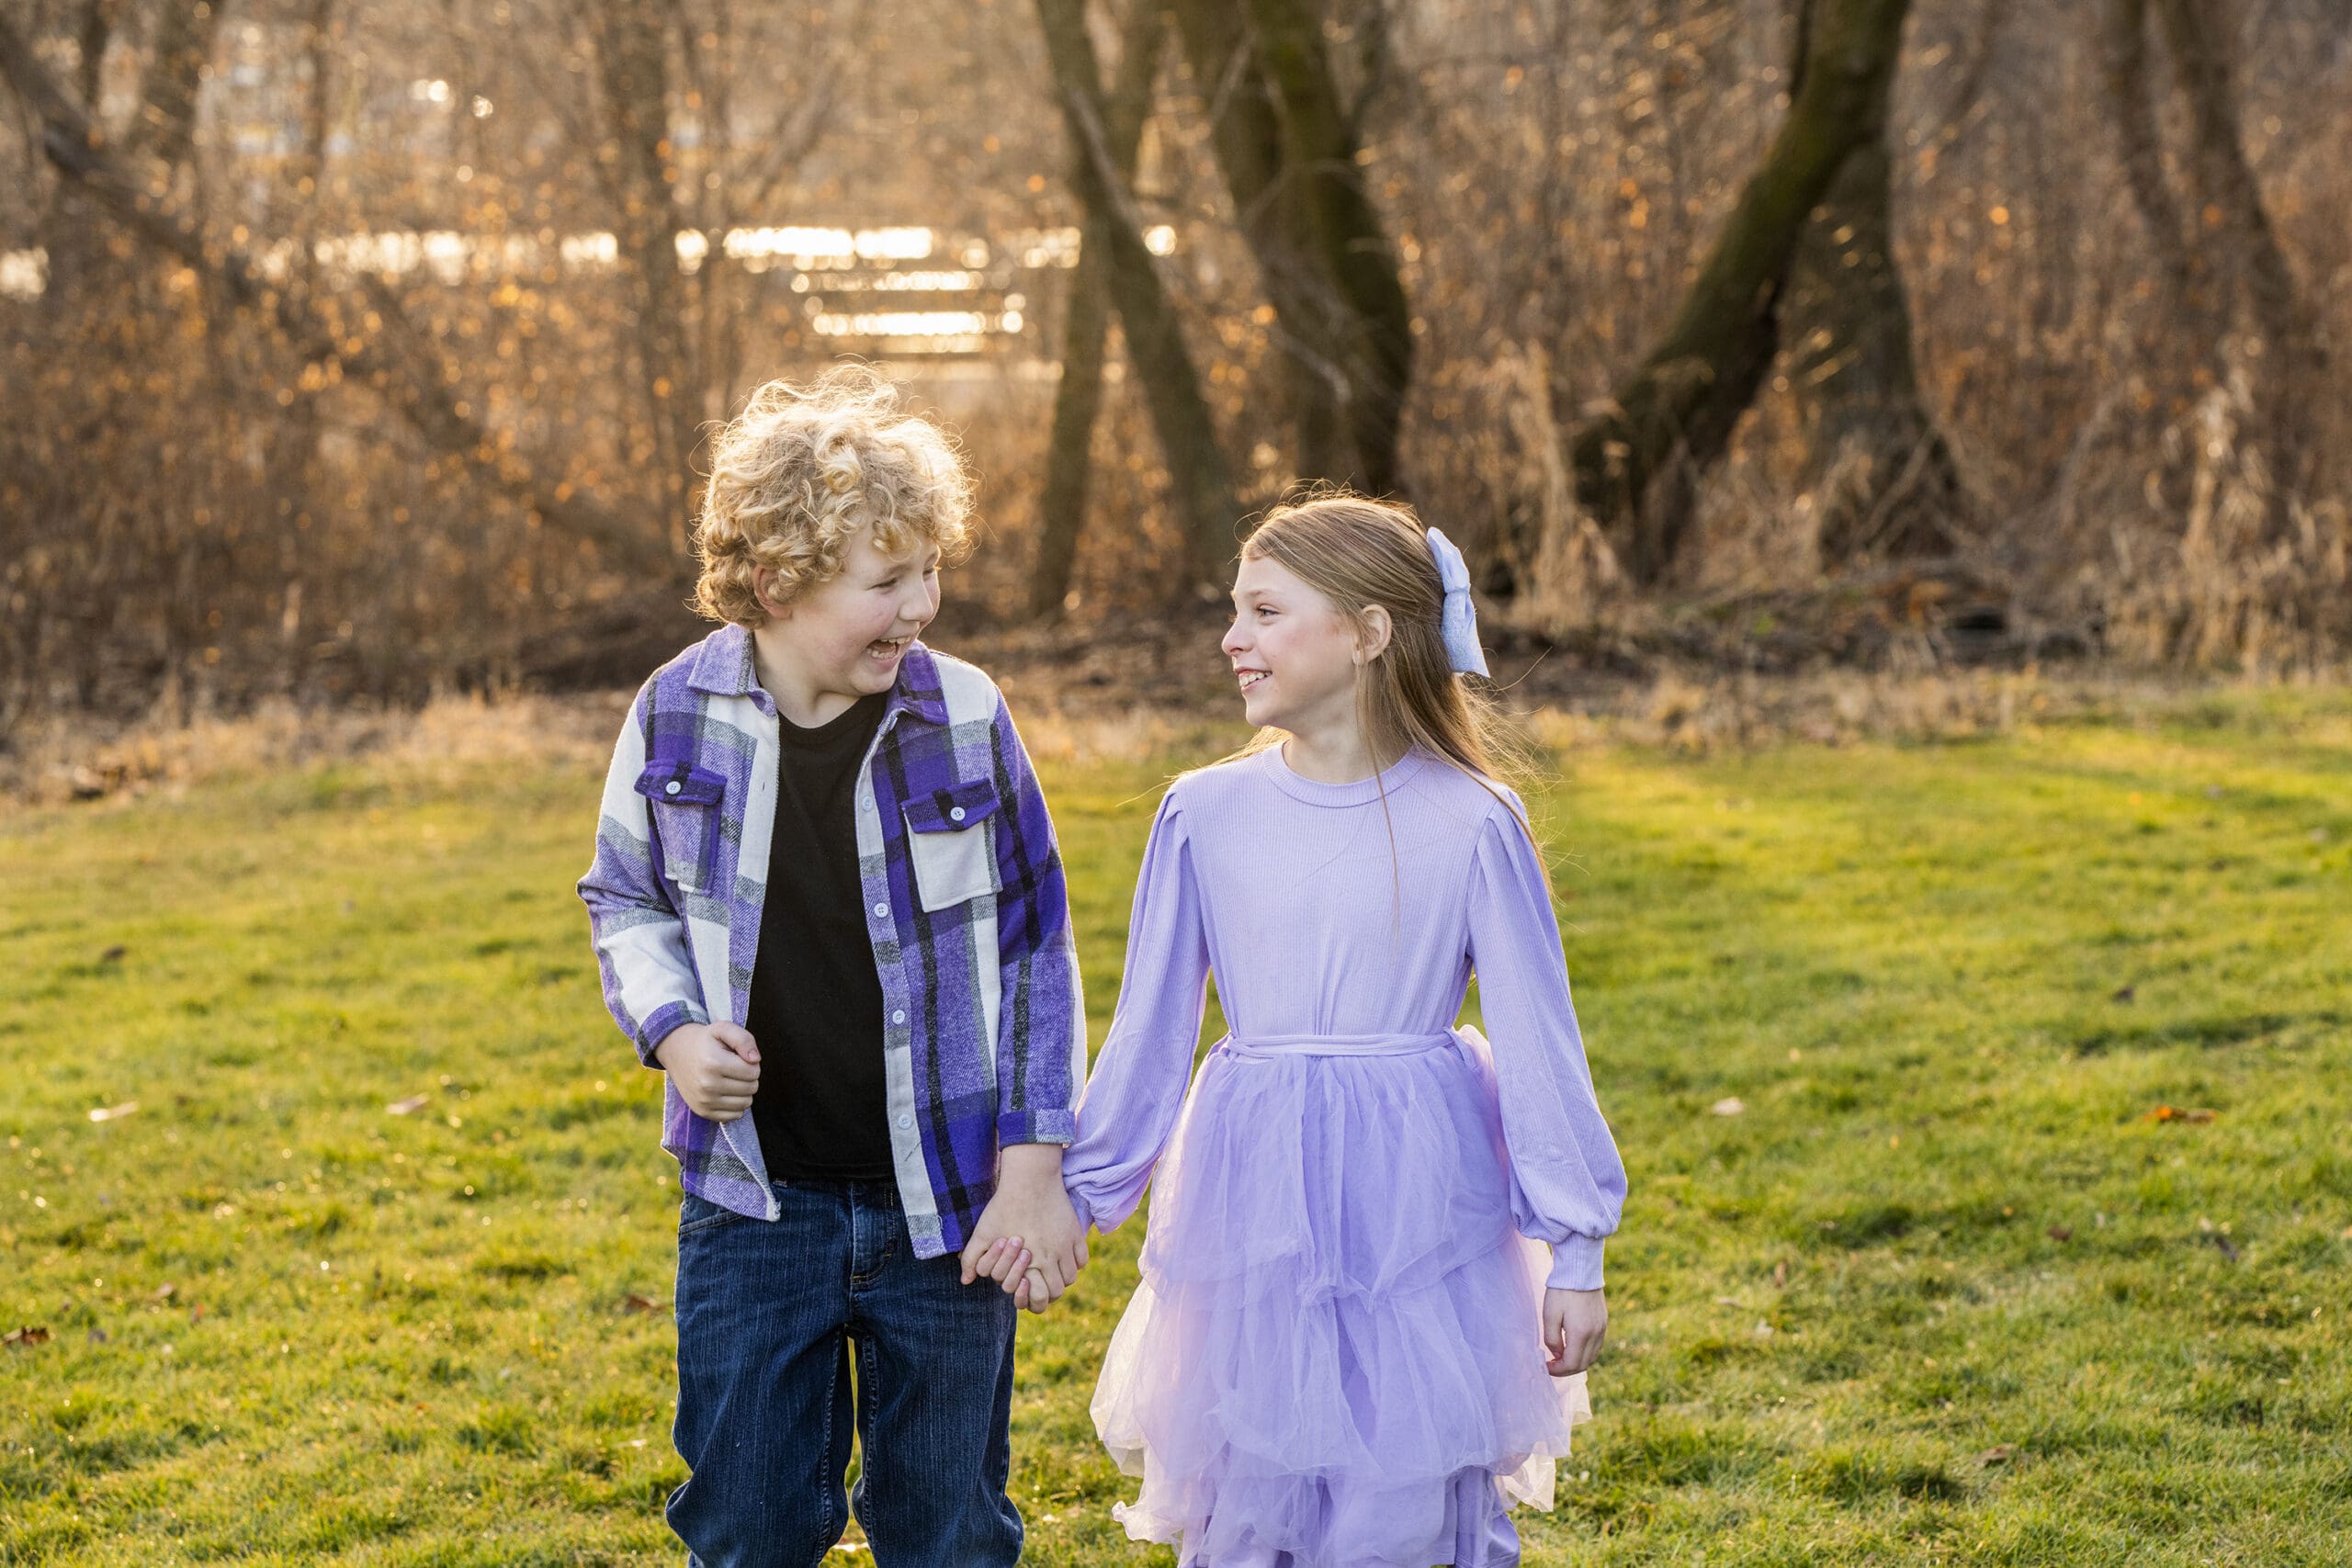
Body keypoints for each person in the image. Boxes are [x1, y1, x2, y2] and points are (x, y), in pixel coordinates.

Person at [1031, 493, 1627, 1567]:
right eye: (1235, 612)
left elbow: (1543, 1041)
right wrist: (1078, 1194)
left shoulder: (1471, 820)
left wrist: (1574, 1246)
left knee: (1401, 1488)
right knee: (1252, 1483)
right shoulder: (1203, 815)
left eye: (1264, 611)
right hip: (1251, 1198)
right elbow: (1151, 1031)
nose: (1231, 638)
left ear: (1365, 634)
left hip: (1417, 1201)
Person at [576, 365, 1089, 1566]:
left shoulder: (964, 715)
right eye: (887, 579)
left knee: (949, 1524)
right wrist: (673, 1029)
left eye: (930, 570)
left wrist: (1031, 1164)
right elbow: (624, 896)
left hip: (947, 1207)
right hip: (754, 1202)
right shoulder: (673, 714)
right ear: (776, 582)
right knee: (748, 1516)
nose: (922, 604)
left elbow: (1035, 949)